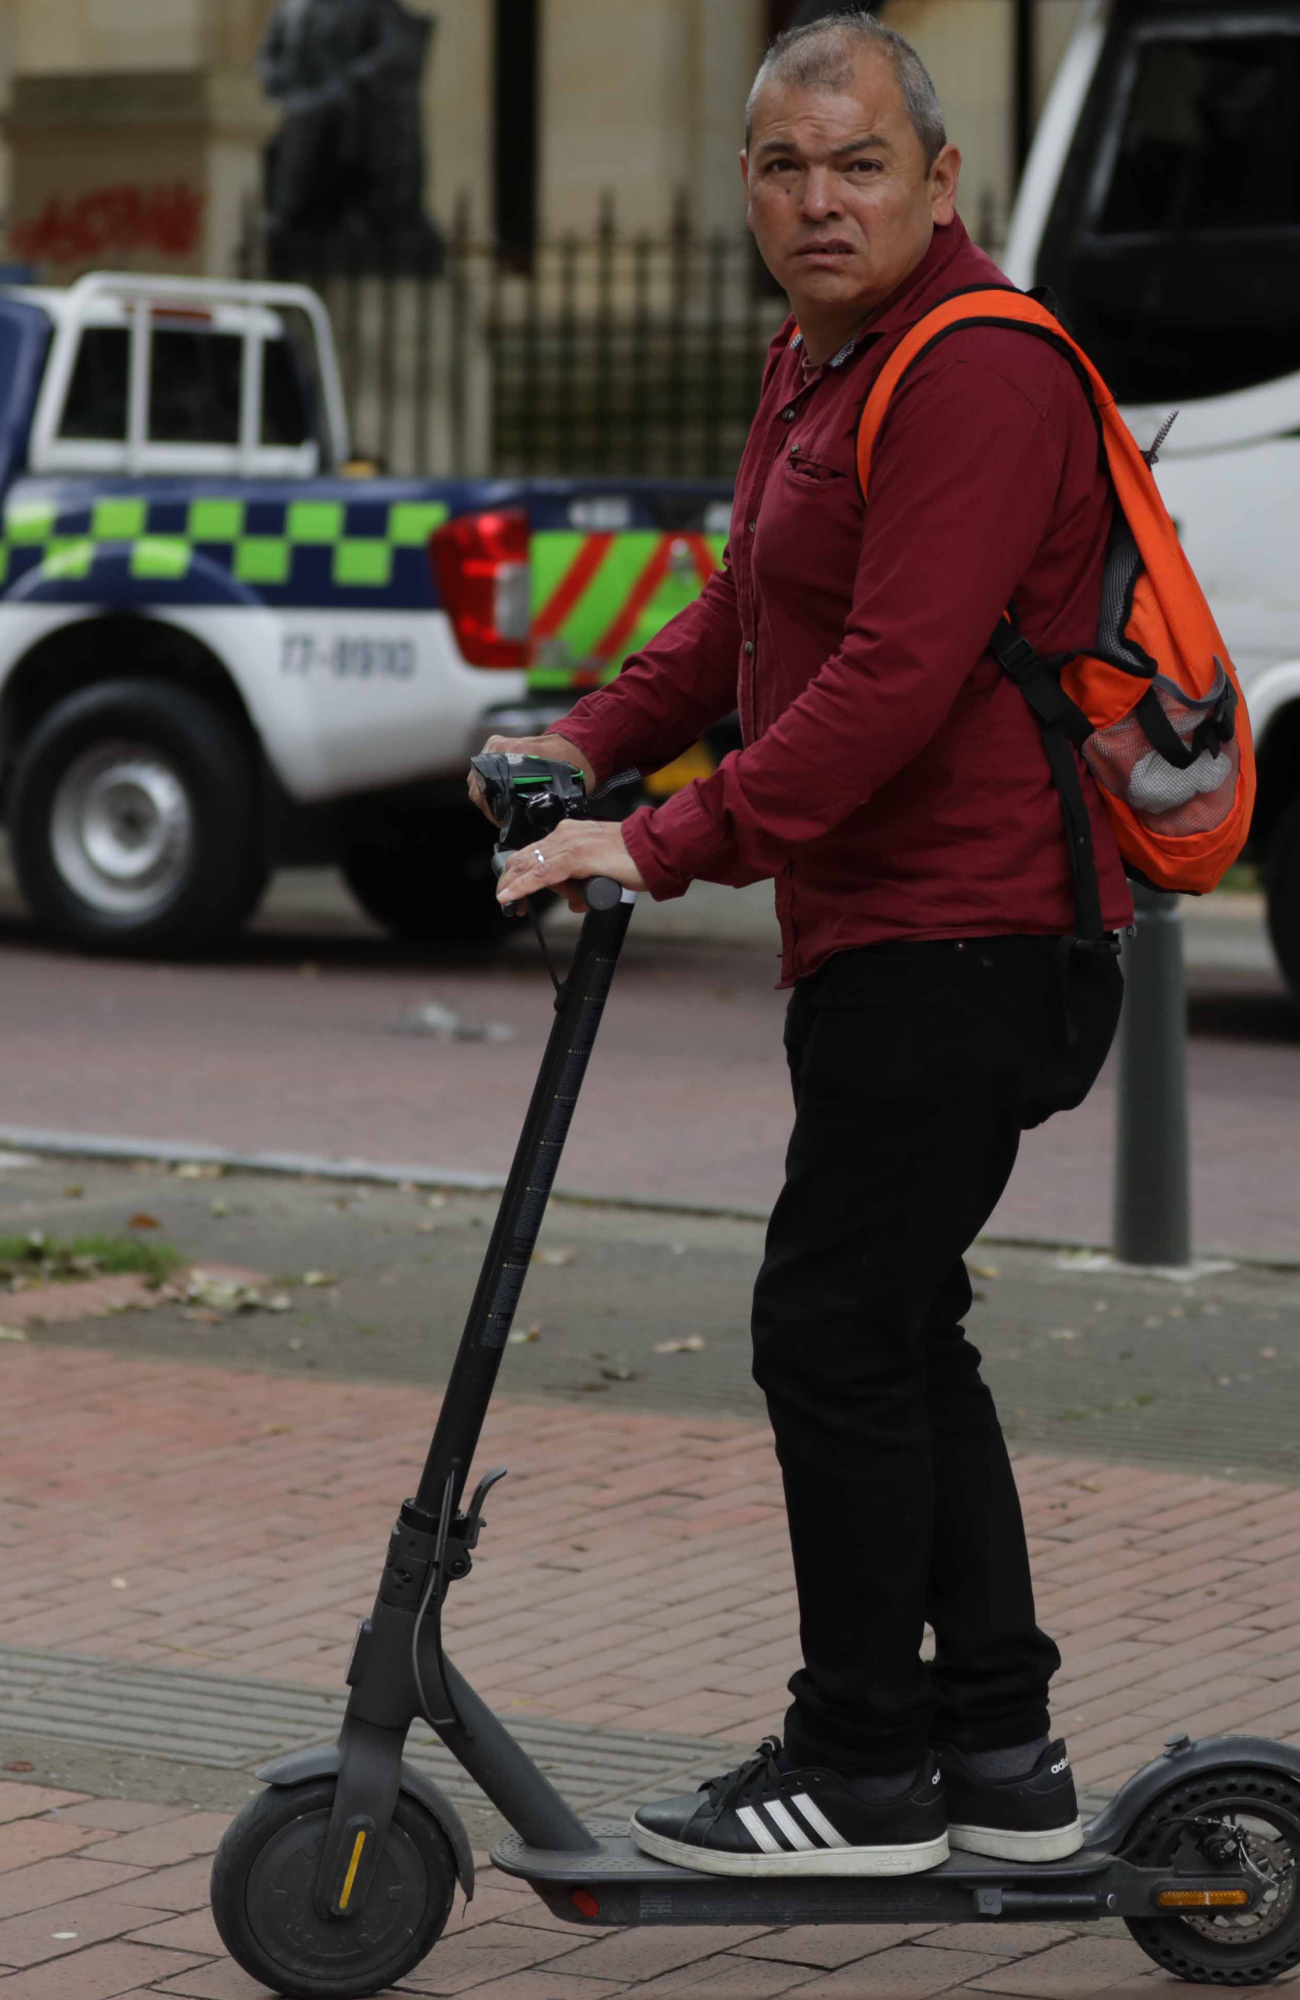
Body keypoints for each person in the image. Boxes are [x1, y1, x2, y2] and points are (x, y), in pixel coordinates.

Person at [473, 15, 1128, 1880]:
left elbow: (893, 681)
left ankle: (860, 1771)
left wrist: (663, 839)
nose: (817, 197)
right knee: (898, 1335)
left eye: (856, 162)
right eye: (781, 165)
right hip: (886, 940)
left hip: (975, 933)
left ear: (940, 181)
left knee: (827, 1328)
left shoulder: (978, 368)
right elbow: (741, 615)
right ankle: (997, 1755)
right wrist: (580, 742)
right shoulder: (819, 365)